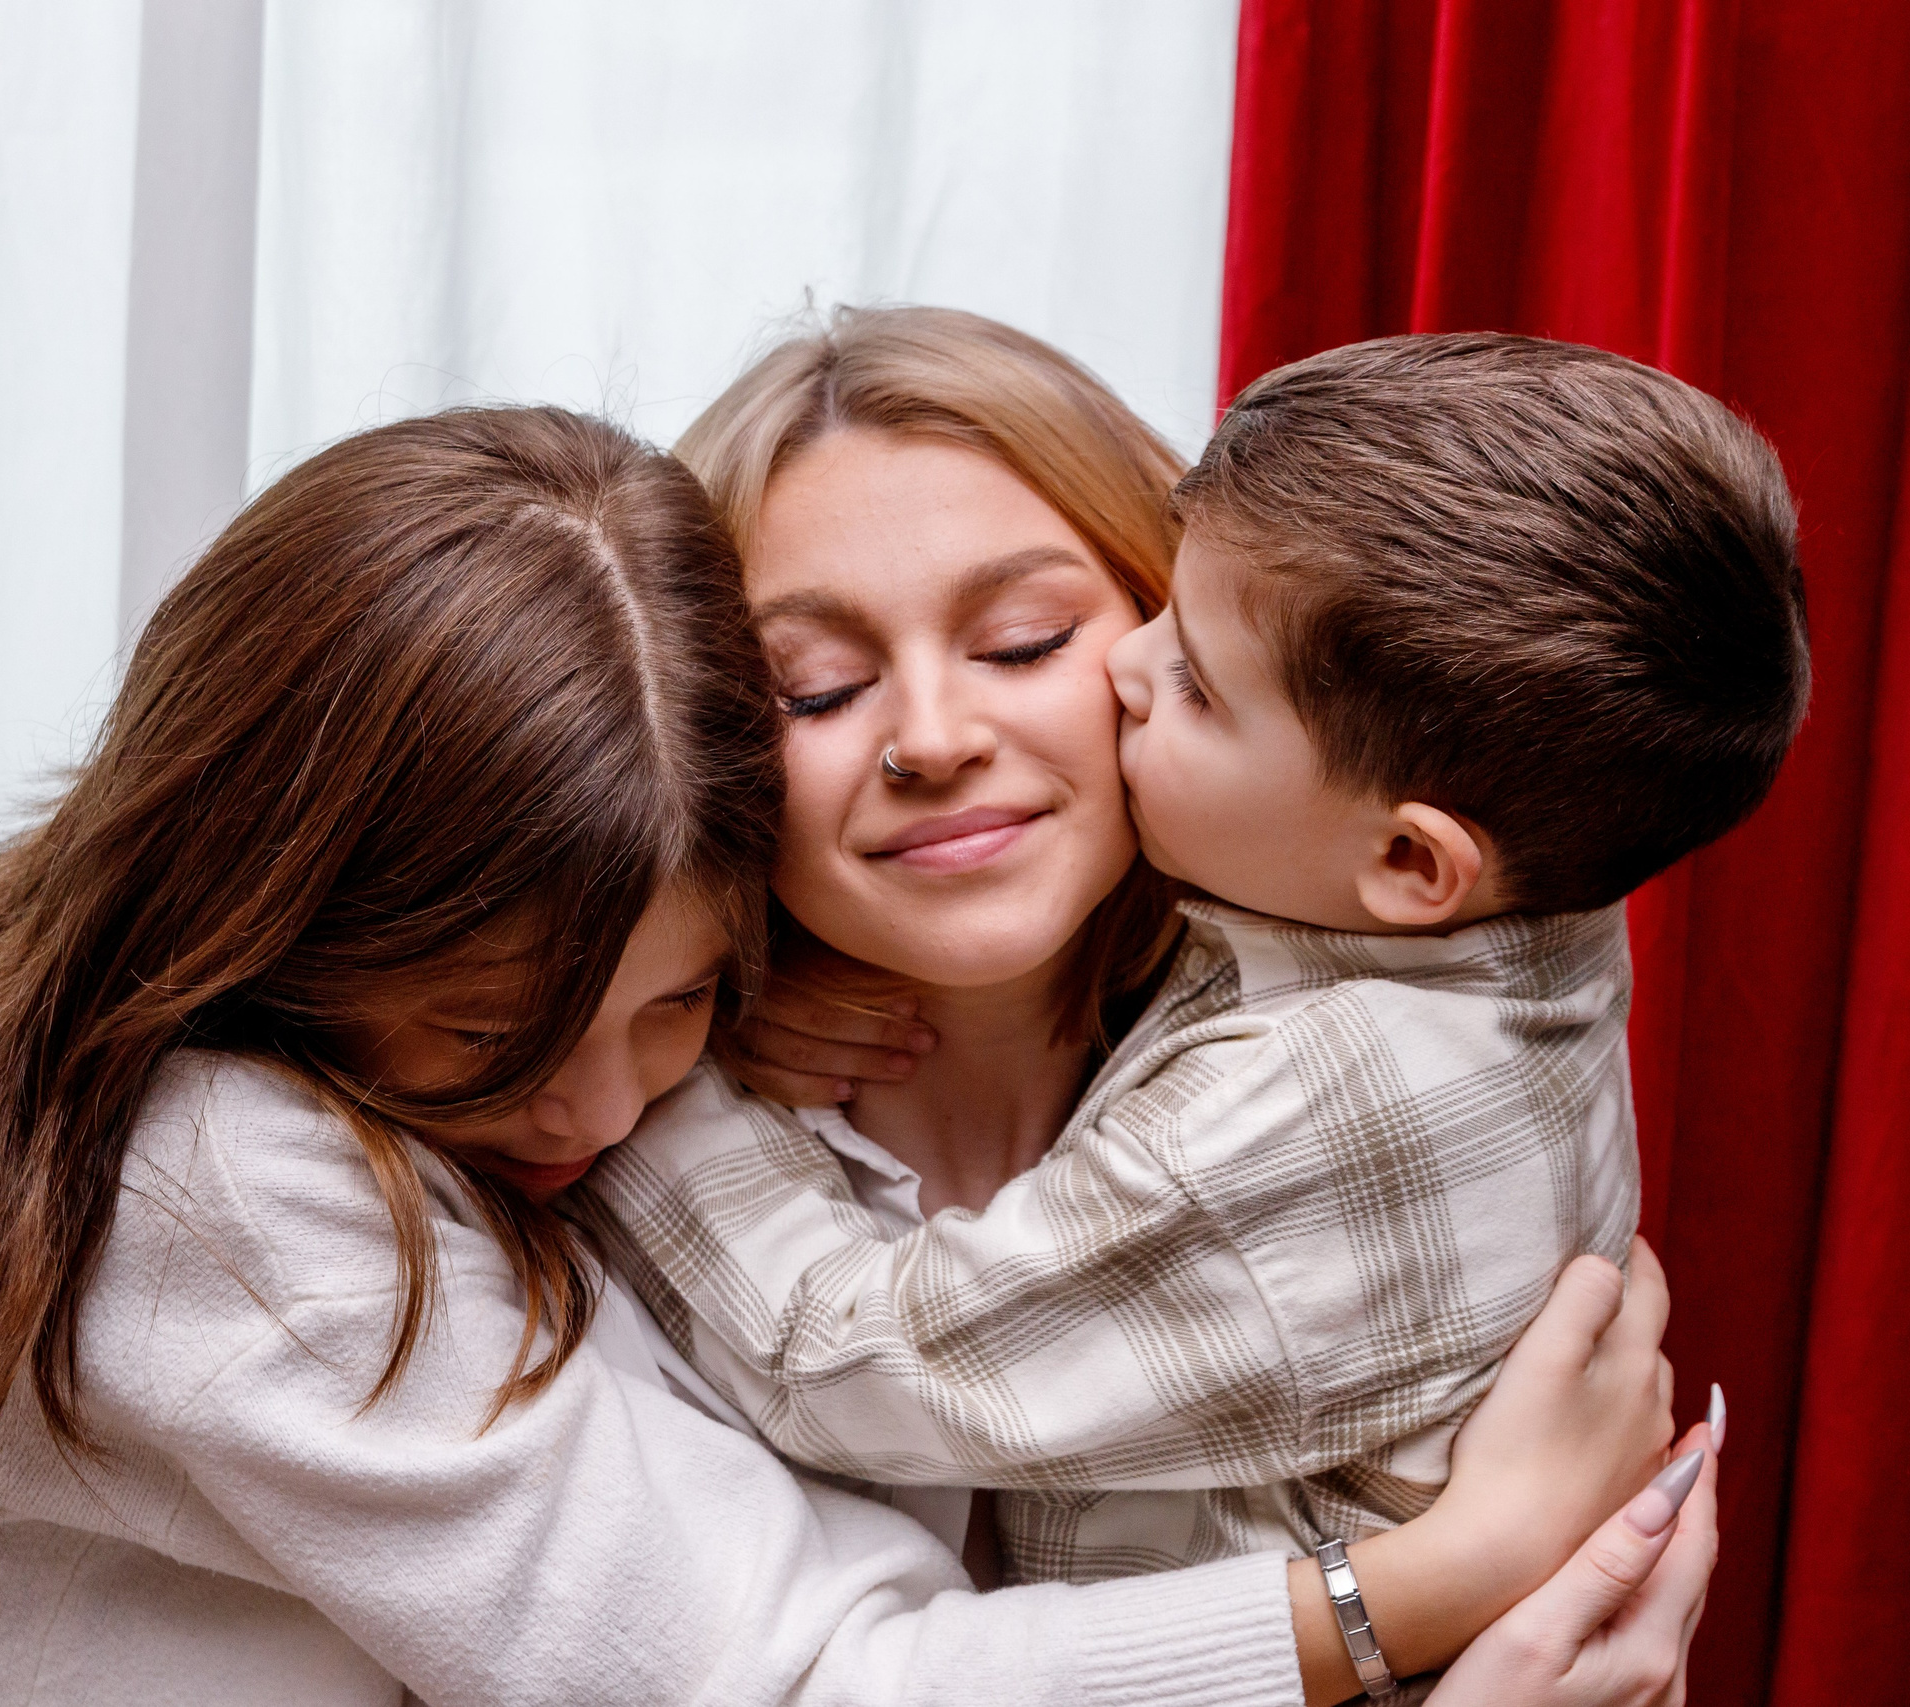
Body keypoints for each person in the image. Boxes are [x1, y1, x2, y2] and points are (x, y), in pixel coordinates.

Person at [0, 402, 1707, 1707]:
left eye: (1025, 640)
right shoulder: (231, 1171)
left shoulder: (1284, 1068)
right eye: (818, 679)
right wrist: (1419, 1593)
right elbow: (800, 1679)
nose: (588, 1109)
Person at [573, 309, 1751, 1690]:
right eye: (815, 690)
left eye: (1023, 643)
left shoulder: (1332, 1067)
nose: (937, 739)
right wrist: (660, 1033)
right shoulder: (563, 1176)